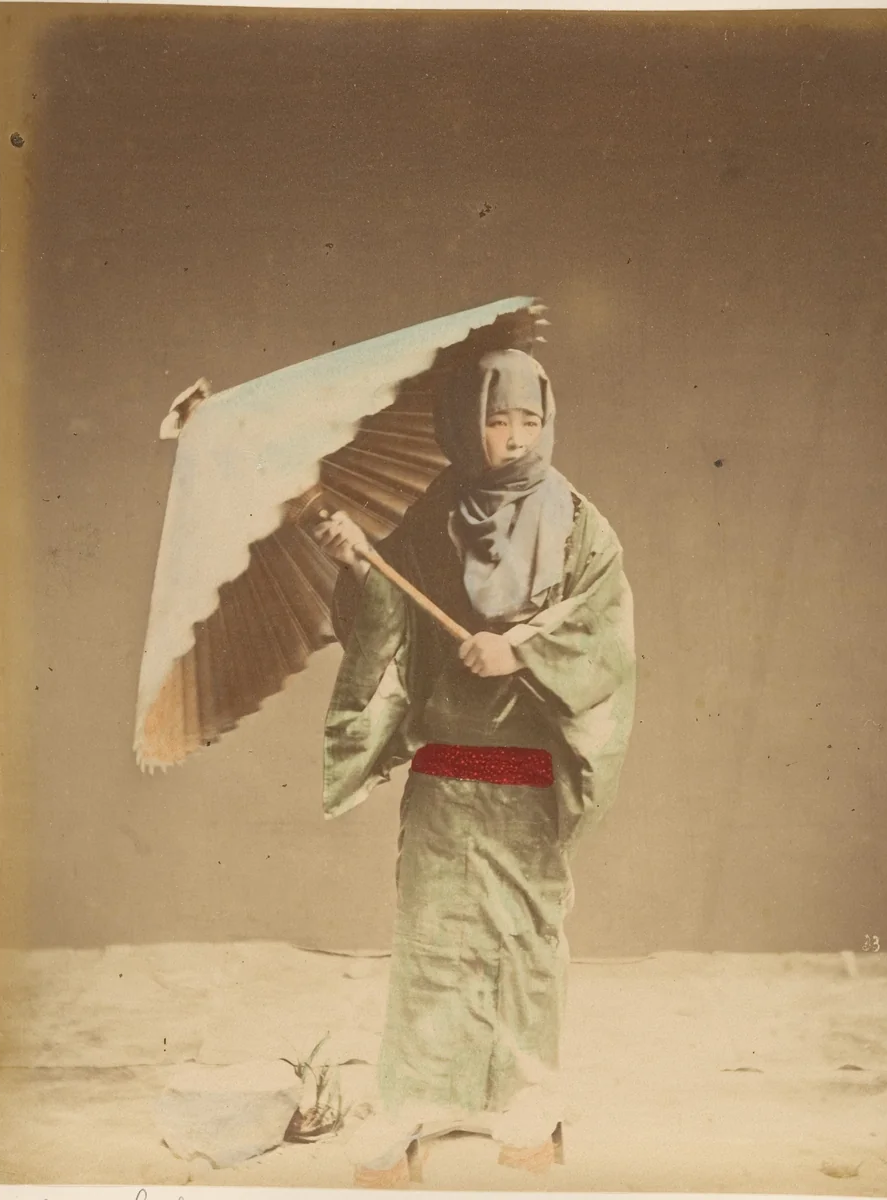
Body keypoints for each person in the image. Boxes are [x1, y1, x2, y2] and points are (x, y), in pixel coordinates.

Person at [312, 348, 636, 1187]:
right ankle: (420, 1096)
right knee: (433, 933)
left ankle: (526, 1099)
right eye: (497, 420)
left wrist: (521, 648)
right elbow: (386, 607)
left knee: (522, 937)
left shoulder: (578, 523)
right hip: (445, 764)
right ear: (467, 425)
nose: (515, 438)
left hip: (524, 764)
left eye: (529, 419)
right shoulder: (433, 514)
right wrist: (357, 563)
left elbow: (600, 629)